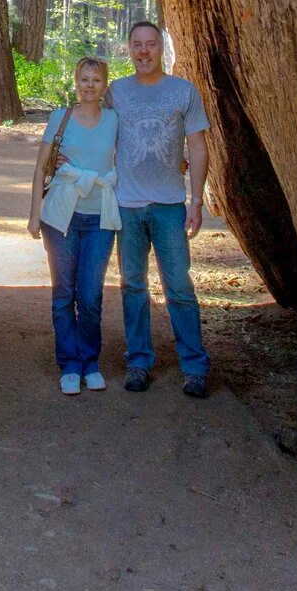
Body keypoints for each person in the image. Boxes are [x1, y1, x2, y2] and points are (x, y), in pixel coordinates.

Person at [111, 21, 212, 397]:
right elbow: (95, 130)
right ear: (128, 49)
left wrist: (197, 200)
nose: (143, 51)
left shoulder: (183, 91)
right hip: (127, 206)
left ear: (160, 49)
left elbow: (198, 148)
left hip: (169, 206)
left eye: (150, 44)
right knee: (132, 286)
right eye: (136, 45)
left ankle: (195, 366)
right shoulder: (115, 92)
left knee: (179, 287)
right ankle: (138, 362)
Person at [27, 56, 120, 394]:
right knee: (64, 291)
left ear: (104, 85)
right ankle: (69, 363)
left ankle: (90, 360)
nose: (89, 86)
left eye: (96, 80)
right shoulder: (60, 117)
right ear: (76, 82)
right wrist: (33, 214)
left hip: (99, 217)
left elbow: (128, 158)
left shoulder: (113, 120)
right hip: (60, 216)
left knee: (91, 293)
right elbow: (41, 168)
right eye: (84, 79)